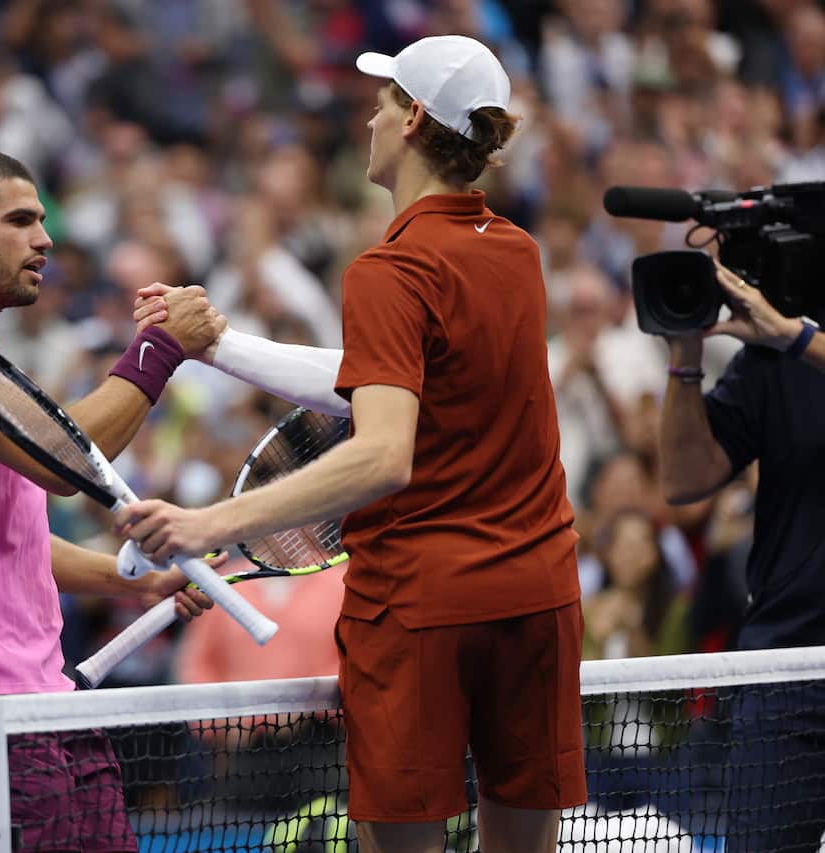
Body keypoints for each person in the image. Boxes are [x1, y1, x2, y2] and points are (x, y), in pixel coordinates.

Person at [119, 37, 586, 852]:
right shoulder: (516, 254)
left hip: (420, 608)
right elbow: (381, 375)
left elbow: (382, 452)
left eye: (382, 101)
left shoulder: (387, 269)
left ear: (411, 120)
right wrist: (220, 344)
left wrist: (208, 524)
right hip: (538, 596)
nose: (368, 117)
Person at [0, 147, 222, 852]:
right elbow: (67, 462)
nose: (46, 238)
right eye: (21, 220)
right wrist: (159, 350)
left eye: (43, 220)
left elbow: (14, 535)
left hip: (47, 700)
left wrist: (138, 580)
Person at [658, 260, 825, 852]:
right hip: (784, 669)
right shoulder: (770, 357)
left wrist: (796, 337)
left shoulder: (788, 340)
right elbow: (682, 480)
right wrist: (684, 357)